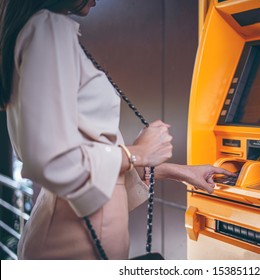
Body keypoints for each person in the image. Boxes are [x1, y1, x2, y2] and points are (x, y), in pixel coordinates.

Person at [0, 0, 235, 260]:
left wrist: (182, 172)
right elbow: (52, 160)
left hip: (75, 233)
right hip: (69, 244)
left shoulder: (45, 31)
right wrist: (136, 153)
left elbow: (89, 162)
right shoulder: (48, 29)